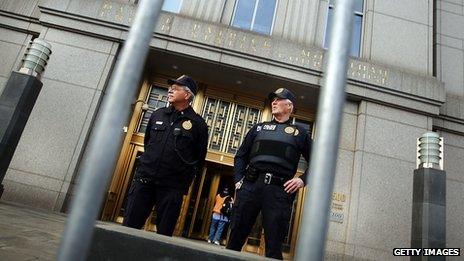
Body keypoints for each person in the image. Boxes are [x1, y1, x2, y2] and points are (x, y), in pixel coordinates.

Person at [226, 88, 312, 259]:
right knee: (234, 241)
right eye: (273, 99)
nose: (273, 102)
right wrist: (238, 180)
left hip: (279, 192)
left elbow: (319, 161)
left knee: (273, 246)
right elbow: (241, 156)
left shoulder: (299, 133)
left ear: (289, 106)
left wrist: (302, 180)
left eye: (278, 100)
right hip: (250, 187)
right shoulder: (258, 128)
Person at [122, 75, 208, 236]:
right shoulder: (158, 114)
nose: (169, 91)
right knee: (128, 229)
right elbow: (148, 143)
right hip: (144, 181)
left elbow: (198, 158)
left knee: (164, 235)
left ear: (187, 95)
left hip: (172, 187)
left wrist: (183, 182)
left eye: (175, 89)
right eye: (170, 88)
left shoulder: (198, 124)